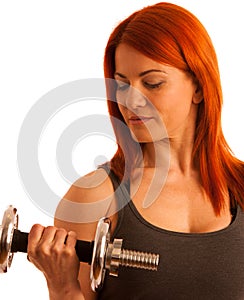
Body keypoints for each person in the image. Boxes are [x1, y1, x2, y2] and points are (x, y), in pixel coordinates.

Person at [26, 2, 244, 299]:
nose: (132, 100)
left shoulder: (240, 187)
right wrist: (62, 286)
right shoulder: (95, 197)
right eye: (122, 84)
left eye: (152, 83)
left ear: (199, 87)